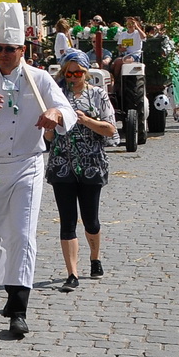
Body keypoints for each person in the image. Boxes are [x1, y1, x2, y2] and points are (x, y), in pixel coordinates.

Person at [0, 15, 75, 338]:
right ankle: (11, 288)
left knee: (23, 234)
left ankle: (19, 307)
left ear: (23, 50)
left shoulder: (39, 79)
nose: (4, 54)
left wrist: (54, 113)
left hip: (27, 164)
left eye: (10, 49)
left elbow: (67, 110)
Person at [46, 52, 116, 289]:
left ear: (86, 73)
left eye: (78, 73)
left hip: (91, 164)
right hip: (62, 164)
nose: (73, 77)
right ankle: (72, 274)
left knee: (90, 220)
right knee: (67, 221)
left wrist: (86, 120)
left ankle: (95, 258)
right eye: (69, 73)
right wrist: (50, 127)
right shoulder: (57, 97)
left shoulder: (98, 95)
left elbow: (110, 129)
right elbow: (48, 137)